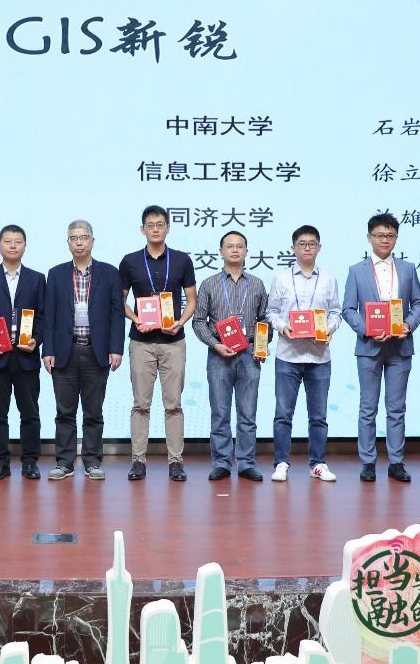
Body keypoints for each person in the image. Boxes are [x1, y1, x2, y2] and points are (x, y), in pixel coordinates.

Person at [342, 213, 420, 483]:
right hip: (369, 346)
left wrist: (408, 325)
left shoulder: (408, 269)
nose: (385, 240)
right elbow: (348, 309)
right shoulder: (356, 270)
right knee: (368, 408)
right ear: (369, 238)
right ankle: (368, 462)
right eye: (379, 235)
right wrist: (367, 329)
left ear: (396, 238)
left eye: (390, 236)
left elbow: (419, 304)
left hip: (400, 347)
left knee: (396, 408)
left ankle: (396, 462)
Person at [118, 205, 198, 482]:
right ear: (142, 229)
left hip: (173, 341)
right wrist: (135, 318)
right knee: (141, 404)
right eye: (150, 225)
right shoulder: (130, 261)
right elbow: (120, 300)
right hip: (141, 341)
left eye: (160, 224)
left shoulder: (182, 260)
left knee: (173, 404)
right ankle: (138, 461)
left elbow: (192, 300)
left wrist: (180, 322)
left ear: (168, 228)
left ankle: (175, 461)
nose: (155, 229)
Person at [44, 219, 125, 481]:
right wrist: (48, 350)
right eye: (74, 238)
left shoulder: (109, 273)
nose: (79, 242)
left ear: (92, 240)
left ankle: (92, 461)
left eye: (84, 237)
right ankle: (64, 462)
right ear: (68, 242)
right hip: (64, 352)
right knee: (64, 412)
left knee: (93, 412)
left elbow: (117, 314)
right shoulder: (56, 274)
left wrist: (116, 348)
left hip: (96, 351)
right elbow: (49, 315)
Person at [266, 225, 342, 483]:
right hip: (288, 355)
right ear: (293, 248)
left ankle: (318, 464)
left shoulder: (329, 279)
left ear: (319, 247)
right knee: (283, 414)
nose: (307, 248)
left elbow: (336, 312)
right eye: (302, 244)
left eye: (312, 244)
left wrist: (329, 328)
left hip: (319, 356)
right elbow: (271, 311)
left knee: (318, 417)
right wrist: (282, 327)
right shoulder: (281, 278)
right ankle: (281, 463)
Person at [193, 231, 271, 481]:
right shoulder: (209, 284)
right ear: (221, 251)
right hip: (219, 355)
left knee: (248, 414)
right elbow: (198, 321)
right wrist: (215, 344)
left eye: (240, 246)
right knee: (220, 413)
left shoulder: (257, 284)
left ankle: (246, 463)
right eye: (230, 246)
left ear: (246, 251)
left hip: (249, 354)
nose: (235, 250)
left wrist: (261, 345)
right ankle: (222, 463)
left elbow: (265, 320)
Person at [0, 225, 46, 481]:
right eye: (8, 241)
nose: (13, 245)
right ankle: (0, 463)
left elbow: (43, 317)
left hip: (26, 356)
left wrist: (37, 340)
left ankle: (30, 462)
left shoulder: (37, 278)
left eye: (18, 241)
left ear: (25, 246)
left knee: (30, 413)